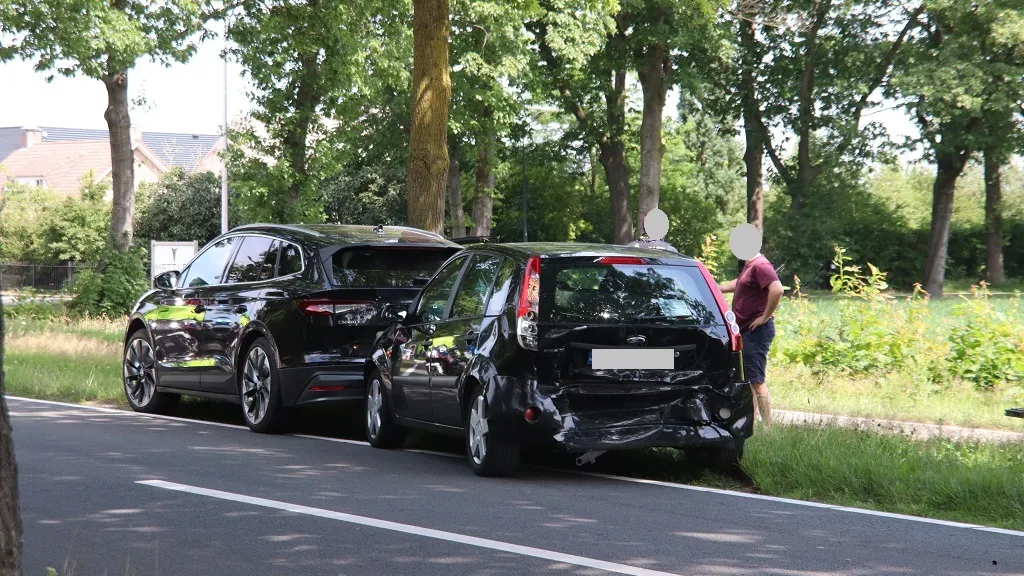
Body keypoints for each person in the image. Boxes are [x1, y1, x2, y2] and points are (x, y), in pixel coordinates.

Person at [718, 248, 784, 429]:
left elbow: (777, 290)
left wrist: (764, 316)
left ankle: (768, 427)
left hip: (757, 332)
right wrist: (717, 288)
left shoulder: (761, 265)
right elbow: (740, 283)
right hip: (746, 330)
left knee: (756, 380)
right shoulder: (750, 265)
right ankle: (752, 423)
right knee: (748, 380)